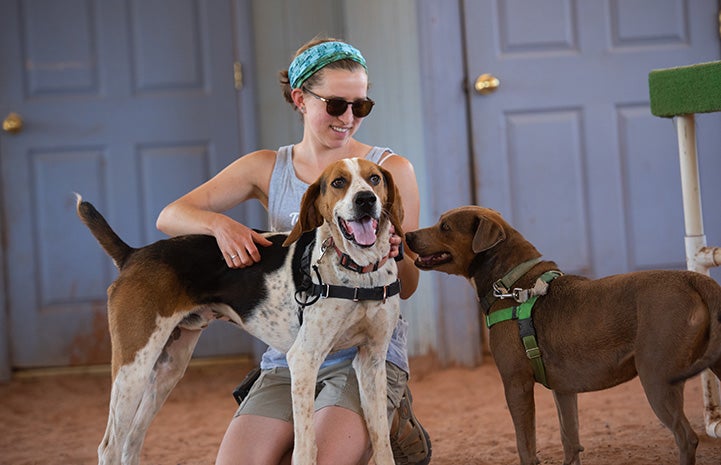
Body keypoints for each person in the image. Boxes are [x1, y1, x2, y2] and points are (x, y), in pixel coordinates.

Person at [156, 37, 431, 465]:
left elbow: (408, 288)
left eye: (361, 106)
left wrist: (396, 252)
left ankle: (391, 421)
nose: (349, 119)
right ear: (301, 99)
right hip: (291, 356)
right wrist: (220, 225)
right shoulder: (267, 167)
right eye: (337, 105)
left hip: (364, 355)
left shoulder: (388, 171)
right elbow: (171, 215)